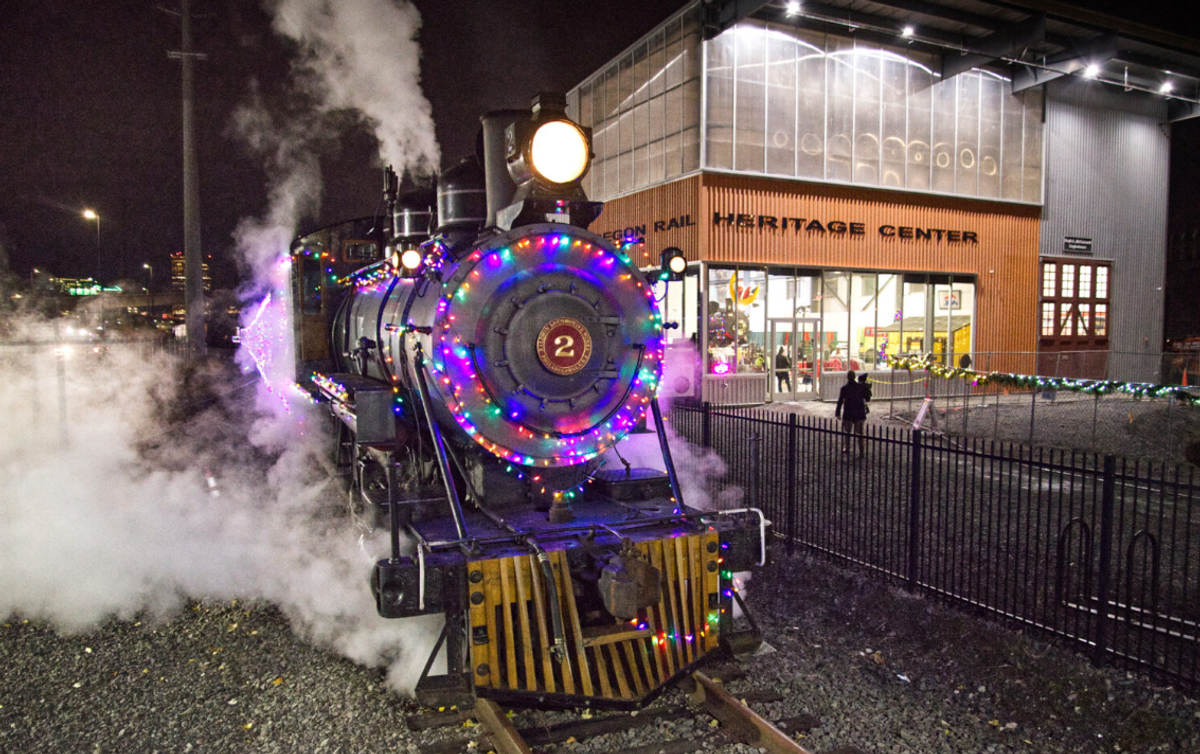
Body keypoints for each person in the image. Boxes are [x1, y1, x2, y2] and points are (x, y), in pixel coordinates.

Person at [835, 370, 869, 456]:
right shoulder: (860, 387)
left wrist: (838, 412)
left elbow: (840, 401)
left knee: (847, 432)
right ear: (854, 377)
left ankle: (847, 448)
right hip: (859, 412)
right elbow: (867, 398)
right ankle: (861, 450)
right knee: (860, 433)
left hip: (848, 413)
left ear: (847, 377)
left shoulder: (844, 388)